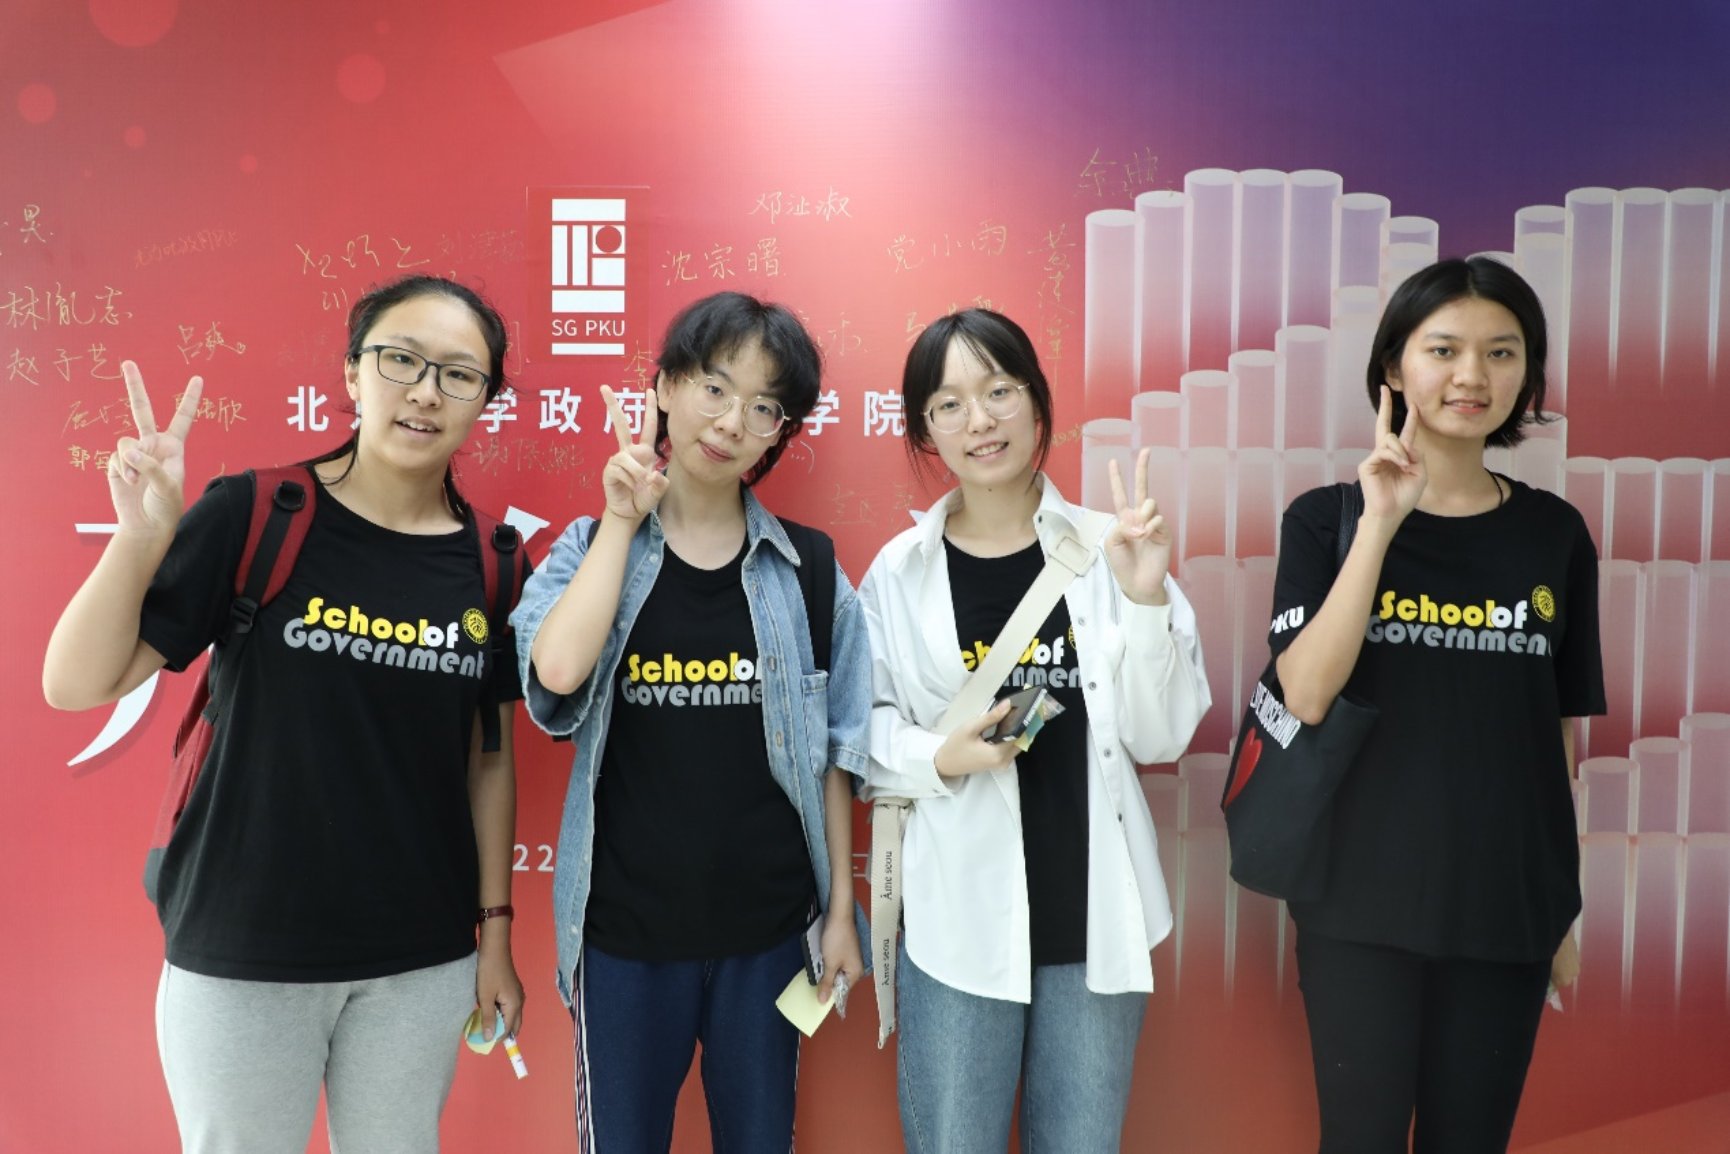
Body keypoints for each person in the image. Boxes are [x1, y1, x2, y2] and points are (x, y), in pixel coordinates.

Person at [41, 275, 526, 1154]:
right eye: (401, 360)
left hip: (418, 956)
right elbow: (75, 683)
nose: (426, 392)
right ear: (352, 373)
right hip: (244, 942)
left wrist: (494, 936)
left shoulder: (492, 561)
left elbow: (488, 756)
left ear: (485, 399)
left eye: (459, 374)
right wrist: (141, 536)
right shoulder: (259, 513)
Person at [511, 291, 868, 1154]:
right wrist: (623, 519)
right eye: (714, 387)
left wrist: (840, 913)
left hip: (768, 939)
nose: (732, 421)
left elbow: (835, 755)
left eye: (763, 407)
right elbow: (555, 676)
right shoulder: (589, 546)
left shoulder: (809, 569)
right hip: (625, 937)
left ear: (779, 433)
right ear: (665, 387)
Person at [1268, 257, 1604, 1153]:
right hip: (1357, 903)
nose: (1472, 376)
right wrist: (1381, 523)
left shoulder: (1555, 534)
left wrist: (1559, 909)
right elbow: (1306, 693)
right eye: (1444, 349)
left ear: (1527, 374)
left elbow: (1555, 738)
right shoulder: (1326, 520)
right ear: (1394, 365)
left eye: (1502, 352)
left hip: (1507, 908)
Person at [858, 308, 1210, 1154]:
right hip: (956, 923)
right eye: (949, 405)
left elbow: (1162, 737)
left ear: (1037, 402)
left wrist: (1147, 600)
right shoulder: (900, 573)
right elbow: (862, 731)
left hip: (1092, 921)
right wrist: (937, 756)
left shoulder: (1111, 548)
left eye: (999, 392)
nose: (979, 421)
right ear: (925, 430)